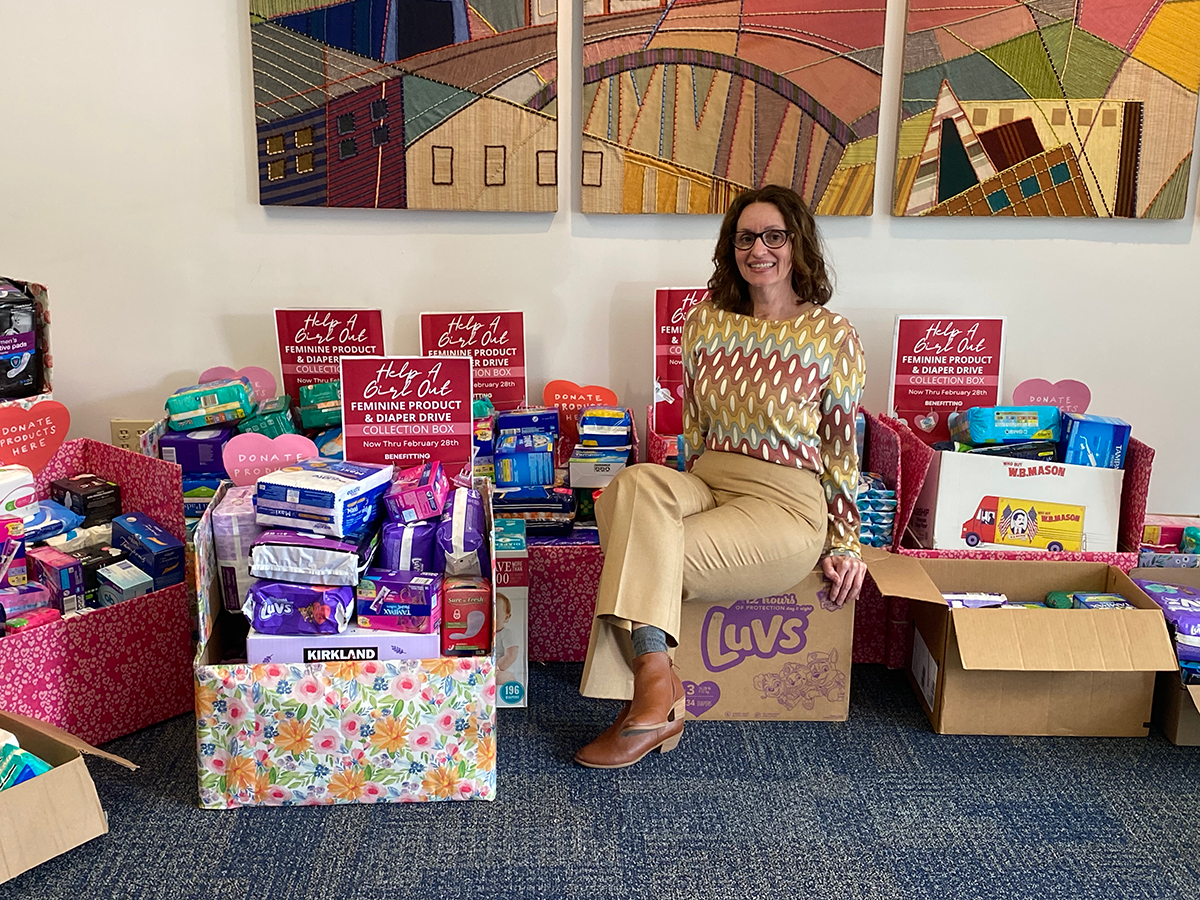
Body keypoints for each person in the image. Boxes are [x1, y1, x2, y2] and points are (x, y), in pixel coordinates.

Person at [574, 184, 868, 769]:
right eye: (744, 238)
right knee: (631, 488)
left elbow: (839, 449)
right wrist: (679, 497)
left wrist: (845, 541)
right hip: (709, 480)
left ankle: (650, 698)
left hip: (785, 504)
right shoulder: (705, 322)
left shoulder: (833, 337)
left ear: (798, 244)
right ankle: (658, 686)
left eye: (773, 236)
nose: (758, 249)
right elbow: (696, 424)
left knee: (642, 550)